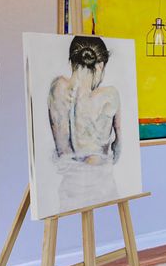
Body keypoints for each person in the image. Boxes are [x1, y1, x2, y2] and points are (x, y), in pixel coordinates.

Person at [47, 35, 121, 212]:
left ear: (72, 61)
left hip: (68, 190)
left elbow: (61, 148)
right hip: (102, 188)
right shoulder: (109, 96)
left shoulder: (57, 87)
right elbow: (118, 149)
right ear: (101, 65)